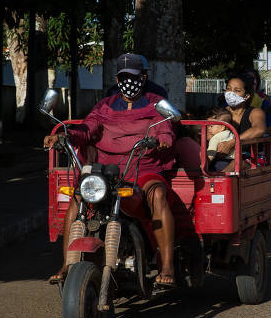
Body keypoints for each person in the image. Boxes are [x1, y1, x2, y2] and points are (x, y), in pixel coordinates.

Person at [43, 53, 177, 287]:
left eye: (133, 76)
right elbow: (87, 129)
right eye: (123, 77)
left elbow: (165, 126)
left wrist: (162, 138)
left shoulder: (155, 103)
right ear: (117, 78)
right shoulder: (104, 105)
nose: (129, 81)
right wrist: (65, 135)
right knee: (78, 198)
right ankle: (66, 263)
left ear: (144, 77)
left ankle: (167, 266)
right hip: (107, 172)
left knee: (157, 194)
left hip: (142, 169)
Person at [216, 73, 267, 169]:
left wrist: (232, 142)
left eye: (237, 90)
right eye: (228, 89)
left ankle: (218, 182)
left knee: (236, 164)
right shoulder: (220, 112)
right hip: (224, 157)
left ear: (247, 96)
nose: (231, 93)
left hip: (251, 158)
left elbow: (259, 129)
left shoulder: (255, 112)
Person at [243, 68, 271, 133]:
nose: (250, 81)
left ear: (257, 81)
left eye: (252, 78)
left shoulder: (263, 100)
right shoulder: (231, 102)